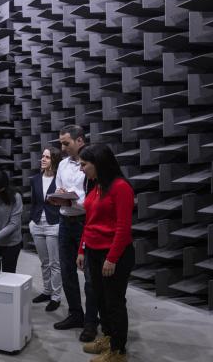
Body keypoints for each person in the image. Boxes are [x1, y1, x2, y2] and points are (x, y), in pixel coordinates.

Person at [77, 145, 135, 362]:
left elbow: (123, 227)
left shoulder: (121, 188)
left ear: (98, 164)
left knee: (114, 302)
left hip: (113, 255)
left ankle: (118, 351)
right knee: (100, 299)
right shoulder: (97, 187)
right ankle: (109, 338)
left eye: (84, 165)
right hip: (92, 251)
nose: (81, 169)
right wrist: (82, 249)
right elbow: (89, 222)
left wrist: (112, 258)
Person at [48, 125, 99, 342]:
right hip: (65, 221)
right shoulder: (61, 164)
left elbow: (92, 199)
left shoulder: (92, 163)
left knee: (89, 275)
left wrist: (72, 198)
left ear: (80, 141)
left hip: (84, 223)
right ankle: (75, 314)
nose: (62, 147)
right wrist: (61, 196)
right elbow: (60, 189)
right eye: (61, 143)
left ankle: (90, 321)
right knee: (67, 271)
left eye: (66, 143)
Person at [29, 146, 62, 312]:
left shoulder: (60, 179)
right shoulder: (35, 179)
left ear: (54, 160)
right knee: (44, 262)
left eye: (47, 157)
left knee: (55, 263)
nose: (43, 159)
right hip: (38, 225)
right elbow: (34, 203)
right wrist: (31, 222)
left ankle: (56, 297)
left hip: (53, 224)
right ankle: (47, 291)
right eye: (42, 156)